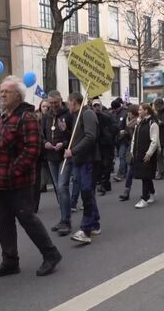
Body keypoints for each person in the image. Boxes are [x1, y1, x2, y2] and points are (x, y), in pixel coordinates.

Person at [0, 76, 62, 279]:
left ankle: (51, 254)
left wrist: (13, 171)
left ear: (18, 95)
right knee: (4, 222)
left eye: (6, 92)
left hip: (17, 182)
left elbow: (32, 149)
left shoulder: (25, 117)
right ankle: (10, 261)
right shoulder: (4, 116)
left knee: (27, 218)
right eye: (1, 91)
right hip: (0, 182)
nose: (2, 95)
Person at [65, 92, 101, 244]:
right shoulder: (77, 116)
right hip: (79, 160)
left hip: (88, 160)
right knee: (87, 193)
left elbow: (90, 137)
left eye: (68, 102)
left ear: (74, 102)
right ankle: (95, 223)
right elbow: (78, 136)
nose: (68, 105)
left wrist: (73, 151)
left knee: (86, 193)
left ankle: (85, 230)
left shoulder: (87, 114)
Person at [43, 90, 74, 236]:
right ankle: (63, 218)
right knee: (57, 188)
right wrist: (45, 143)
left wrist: (64, 141)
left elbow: (74, 135)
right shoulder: (46, 116)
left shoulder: (68, 115)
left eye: (56, 103)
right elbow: (41, 134)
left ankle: (66, 221)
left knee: (62, 187)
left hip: (64, 157)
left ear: (61, 100)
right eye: (51, 103)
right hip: (51, 156)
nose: (54, 106)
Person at [131, 103, 160, 209]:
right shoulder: (139, 123)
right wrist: (132, 150)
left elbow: (154, 141)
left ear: (146, 111)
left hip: (147, 153)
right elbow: (134, 137)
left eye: (140, 110)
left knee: (145, 175)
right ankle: (152, 192)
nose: (138, 112)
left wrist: (149, 153)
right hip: (139, 152)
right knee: (145, 175)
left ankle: (144, 198)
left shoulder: (153, 123)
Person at [92, 99, 118, 195]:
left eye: (98, 105)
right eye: (95, 106)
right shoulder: (91, 117)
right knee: (99, 165)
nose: (97, 107)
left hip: (107, 144)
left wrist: (109, 135)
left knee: (107, 164)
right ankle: (103, 183)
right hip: (97, 145)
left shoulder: (108, 117)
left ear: (101, 106)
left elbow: (115, 127)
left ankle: (105, 183)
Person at [119, 105, 140, 201]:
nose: (128, 114)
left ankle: (149, 190)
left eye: (130, 113)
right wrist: (125, 133)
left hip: (139, 147)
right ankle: (127, 190)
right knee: (129, 169)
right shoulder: (128, 121)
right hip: (130, 146)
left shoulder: (139, 121)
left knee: (143, 171)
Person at [111, 98, 129, 182]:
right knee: (123, 156)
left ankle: (120, 174)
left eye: (116, 109)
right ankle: (126, 172)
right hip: (116, 139)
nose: (115, 110)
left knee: (122, 156)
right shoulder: (113, 114)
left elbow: (129, 125)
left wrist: (125, 132)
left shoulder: (125, 113)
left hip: (124, 139)